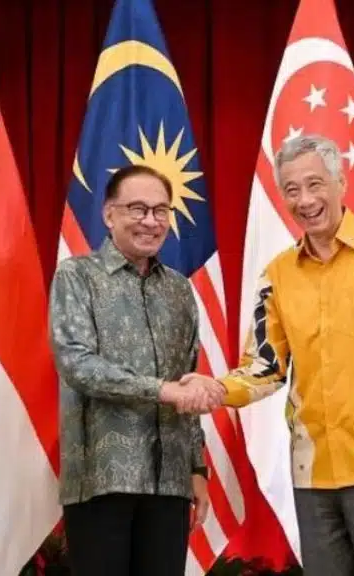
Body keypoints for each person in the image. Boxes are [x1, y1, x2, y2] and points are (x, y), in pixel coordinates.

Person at [183, 135, 354, 576]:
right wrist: (216, 387)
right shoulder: (277, 275)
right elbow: (265, 368)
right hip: (311, 476)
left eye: (315, 184)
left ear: (340, 183)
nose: (305, 200)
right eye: (291, 190)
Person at [50, 164, 224, 576]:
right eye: (138, 209)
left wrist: (196, 468)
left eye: (161, 211)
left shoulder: (179, 290)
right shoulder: (77, 276)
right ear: (109, 214)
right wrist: (162, 390)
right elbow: (77, 363)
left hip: (169, 481)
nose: (151, 221)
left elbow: (187, 378)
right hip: (101, 477)